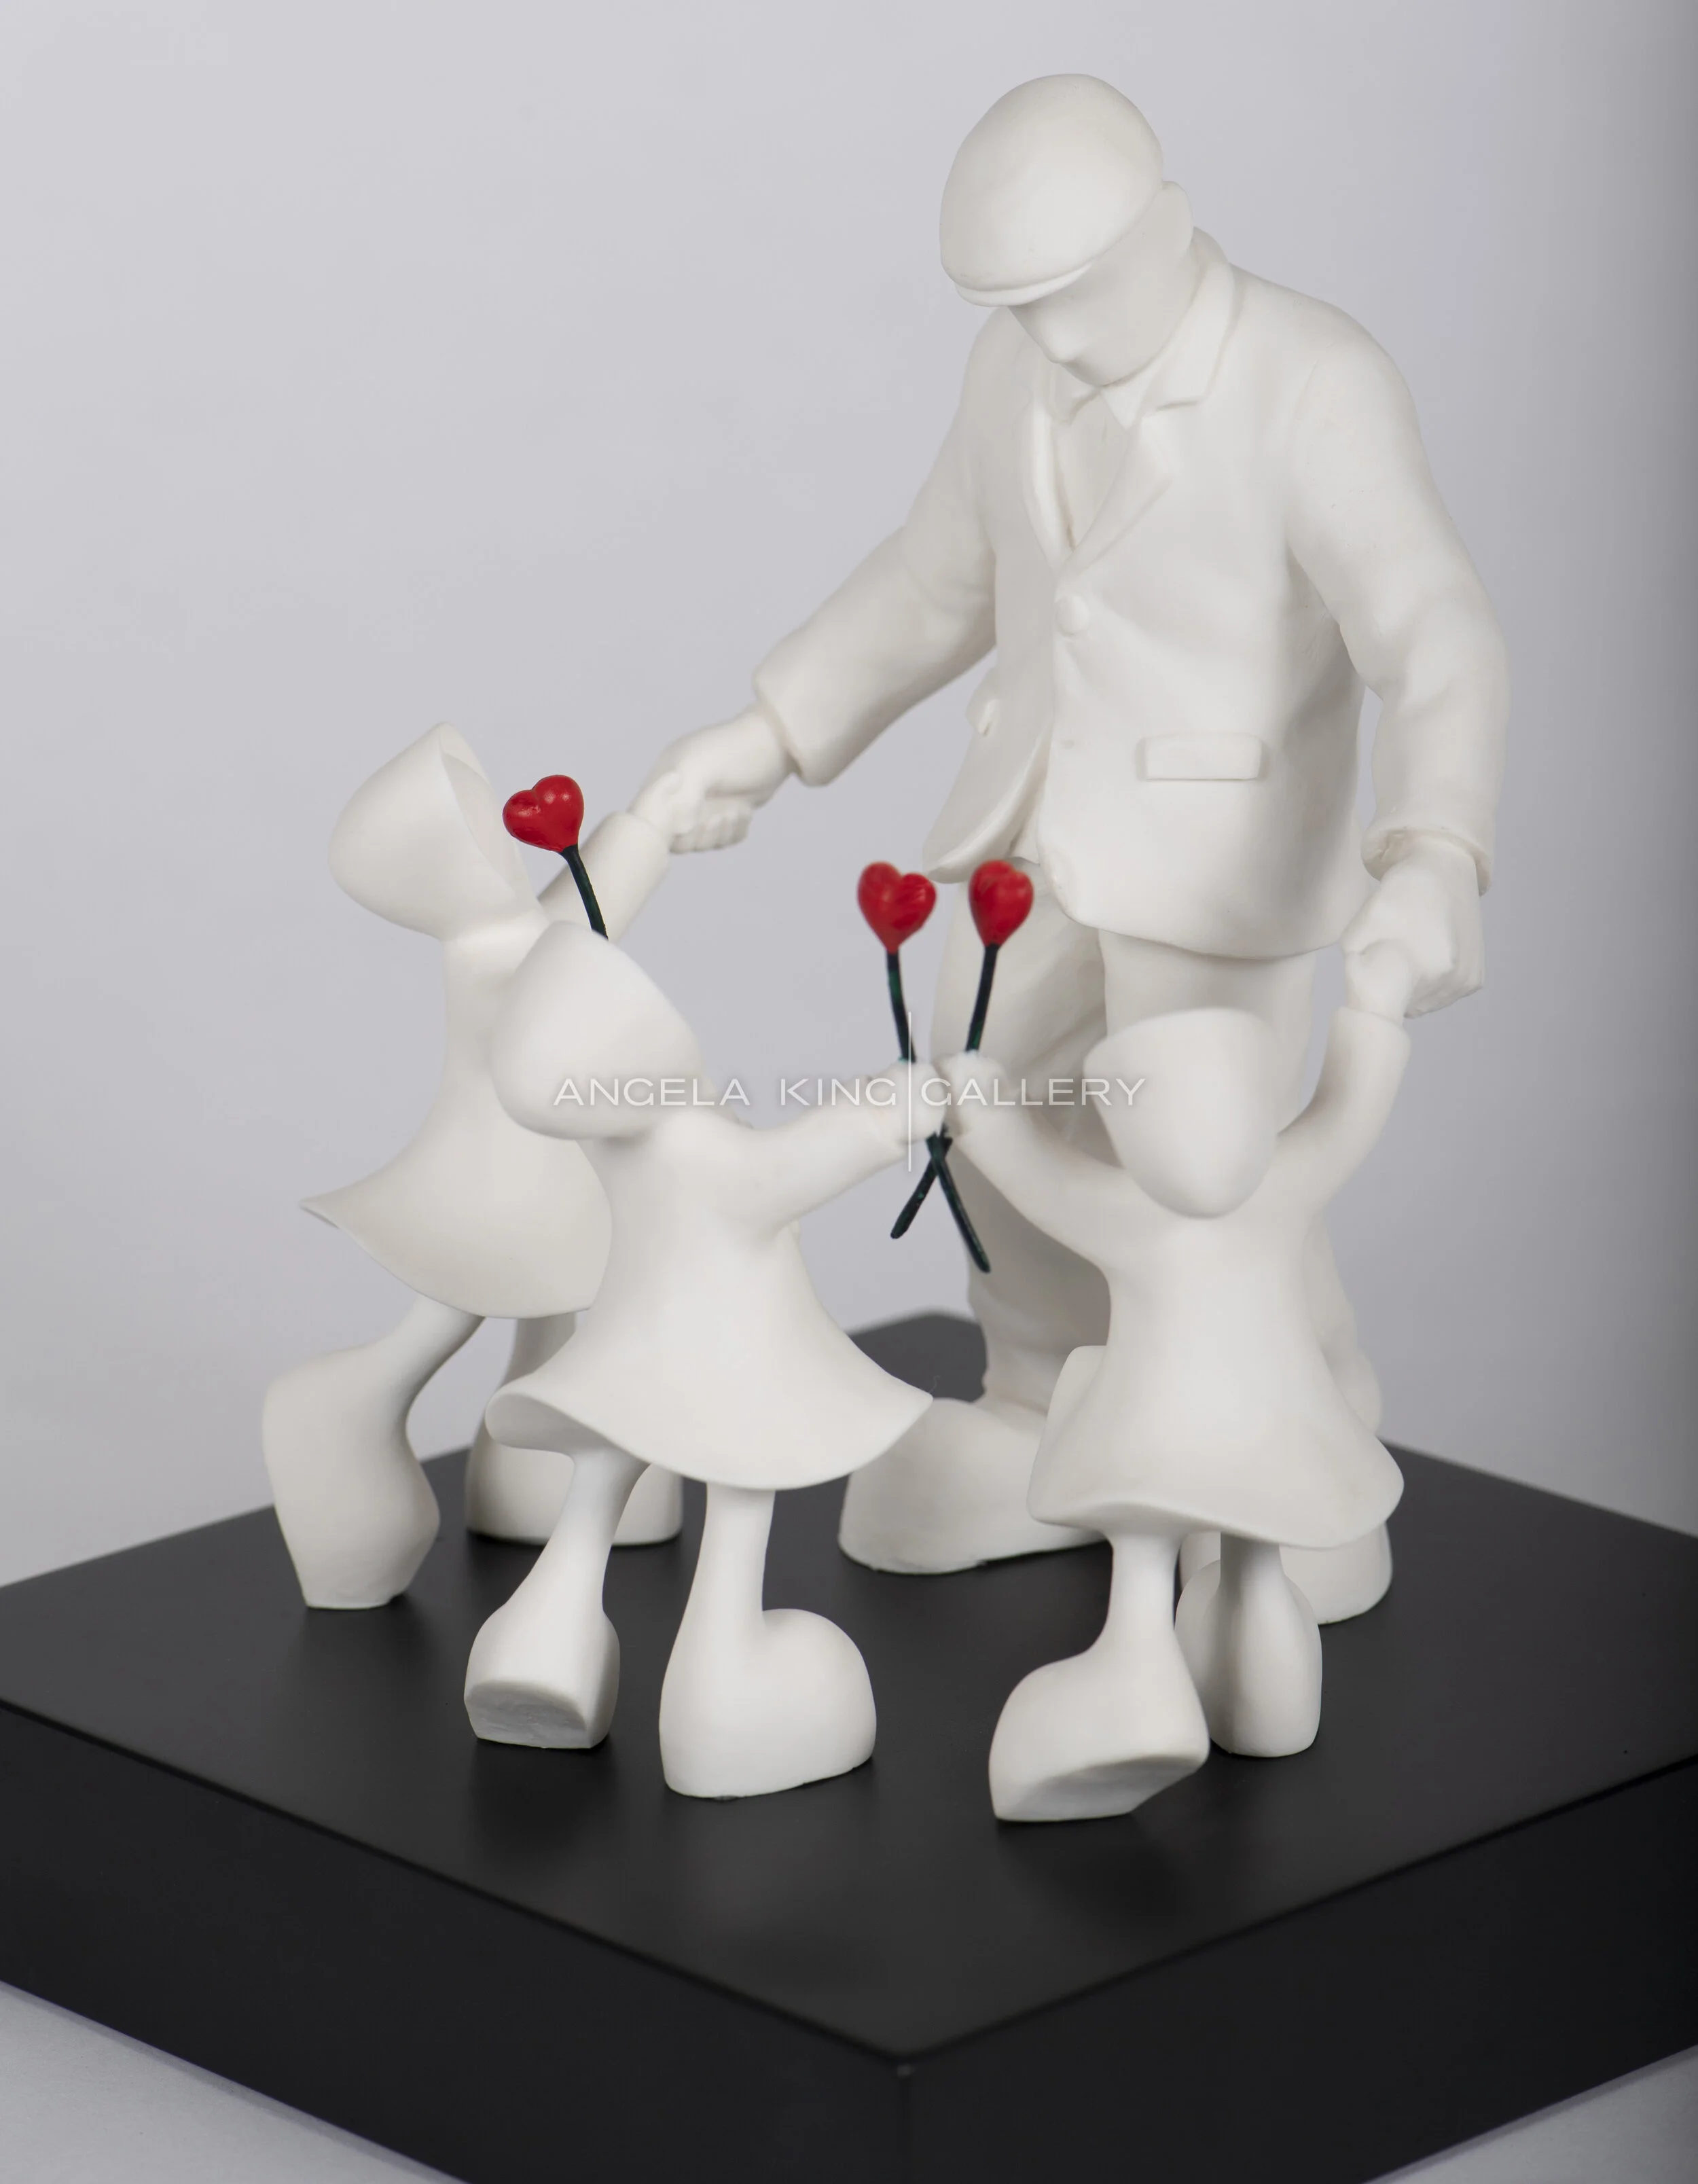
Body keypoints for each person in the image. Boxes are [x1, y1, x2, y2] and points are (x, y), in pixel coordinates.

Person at [628, 75, 1508, 1601]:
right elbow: (933, 582)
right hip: (1027, 843)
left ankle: (1294, 1426)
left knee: (1207, 1175)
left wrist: (1432, 850)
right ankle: (1045, 1399)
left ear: (1166, 227)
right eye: (1014, 304)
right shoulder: (1012, 370)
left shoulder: (1310, 378)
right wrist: (768, 736)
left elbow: (1432, 631)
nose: (1049, 333)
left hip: (1219, 871)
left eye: (1070, 292)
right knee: (985, 1113)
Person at [464, 920, 941, 1797]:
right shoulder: (691, 1140)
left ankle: (537, 1657)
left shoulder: (609, 1136)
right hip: (731, 1368)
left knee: (594, 1497)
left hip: (628, 1358)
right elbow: (783, 1172)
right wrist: (898, 1108)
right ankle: (722, 1714)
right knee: (737, 1510)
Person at [941, 943, 1412, 1820]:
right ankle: (1262, 1704)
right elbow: (1350, 1109)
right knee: (1256, 1559)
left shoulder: (1128, 1209)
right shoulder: (1283, 1183)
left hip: (1150, 1436)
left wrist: (977, 1099)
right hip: (1268, 1428)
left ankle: (1143, 1692)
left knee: (1150, 1560)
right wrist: (1374, 1009)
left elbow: (1034, 1172)